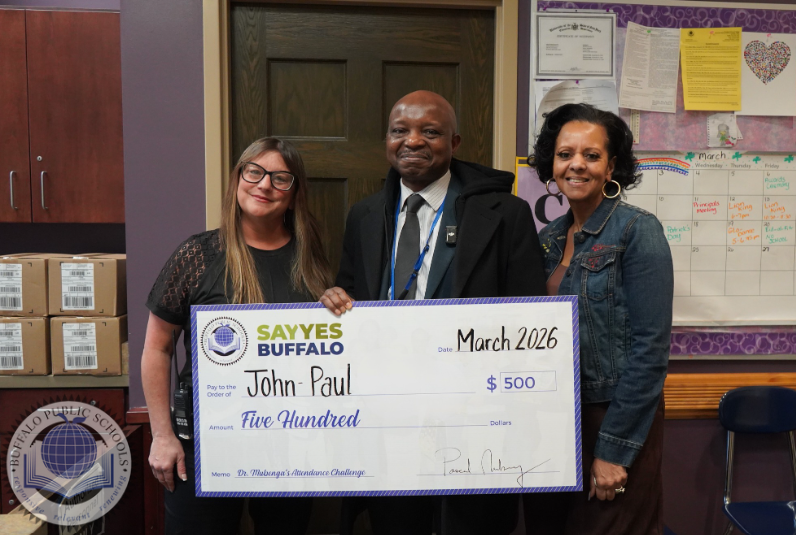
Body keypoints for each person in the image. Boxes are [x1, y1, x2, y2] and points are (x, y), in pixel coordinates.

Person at [320, 90, 547, 535]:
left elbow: (531, 320)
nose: (412, 141)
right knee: (395, 523)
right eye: (399, 130)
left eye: (430, 131)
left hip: (475, 416)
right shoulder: (364, 215)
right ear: (387, 140)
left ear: (454, 142)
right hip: (389, 416)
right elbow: (351, 297)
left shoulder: (506, 214)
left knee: (473, 525)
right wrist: (335, 298)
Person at [142, 137, 333, 535]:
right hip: (201, 442)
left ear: (294, 195)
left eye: (280, 178)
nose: (264, 185)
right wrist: (161, 436)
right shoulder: (197, 255)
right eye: (254, 172)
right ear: (237, 180)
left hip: (289, 440)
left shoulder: (311, 261)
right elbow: (157, 349)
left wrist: (338, 306)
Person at [524, 103, 673, 535]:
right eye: (564, 154)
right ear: (551, 164)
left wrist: (613, 449)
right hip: (556, 417)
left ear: (611, 167)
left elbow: (650, 352)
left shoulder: (638, 231)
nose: (576, 164)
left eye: (591, 155)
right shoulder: (548, 239)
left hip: (614, 416)